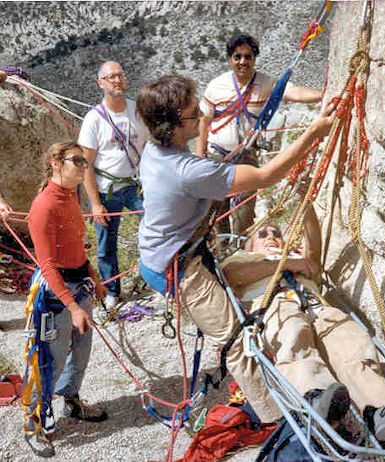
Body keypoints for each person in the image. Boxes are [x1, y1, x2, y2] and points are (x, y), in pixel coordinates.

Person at [136, 74, 336, 425]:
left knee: (236, 326)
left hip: (167, 253)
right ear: (170, 125)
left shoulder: (156, 150)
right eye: (192, 113)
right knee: (237, 342)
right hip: (178, 269)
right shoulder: (186, 171)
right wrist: (312, 134)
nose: (201, 115)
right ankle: (278, 419)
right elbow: (266, 177)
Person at [222, 198, 385, 447]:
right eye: (263, 234)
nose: (271, 235)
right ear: (250, 245)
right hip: (275, 307)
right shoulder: (242, 259)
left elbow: (313, 254)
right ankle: (316, 396)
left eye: (276, 233)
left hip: (316, 307)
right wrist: (288, 264)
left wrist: (307, 206)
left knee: (351, 345)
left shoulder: (295, 256)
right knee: (294, 335)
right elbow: (233, 276)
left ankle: (384, 412)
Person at [25, 141, 108, 457]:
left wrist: (94, 279)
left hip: (79, 284)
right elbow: (46, 264)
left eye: (85, 161)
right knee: (48, 360)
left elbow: (75, 246)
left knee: (81, 349)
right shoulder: (43, 206)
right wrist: (72, 307)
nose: (84, 166)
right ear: (56, 162)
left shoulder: (72, 196)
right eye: (77, 161)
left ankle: (71, 402)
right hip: (55, 293)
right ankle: (33, 425)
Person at [196, 33, 323, 235]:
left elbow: (294, 93)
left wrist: (325, 95)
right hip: (218, 155)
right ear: (230, 59)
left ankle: (239, 253)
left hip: (246, 156)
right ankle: (220, 250)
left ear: (254, 58)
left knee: (244, 211)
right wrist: (200, 155)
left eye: (248, 56)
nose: (242, 61)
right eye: (237, 57)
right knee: (216, 210)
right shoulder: (216, 86)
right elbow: (204, 120)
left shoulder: (265, 83)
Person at [78, 61, 149, 310]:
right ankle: (112, 291)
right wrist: (95, 204)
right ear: (101, 83)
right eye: (110, 77)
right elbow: (85, 164)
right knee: (106, 243)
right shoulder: (94, 119)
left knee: (156, 231)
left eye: (119, 75)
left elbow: (149, 147)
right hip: (107, 189)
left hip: (137, 185)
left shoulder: (137, 111)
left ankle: (159, 279)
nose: (116, 80)